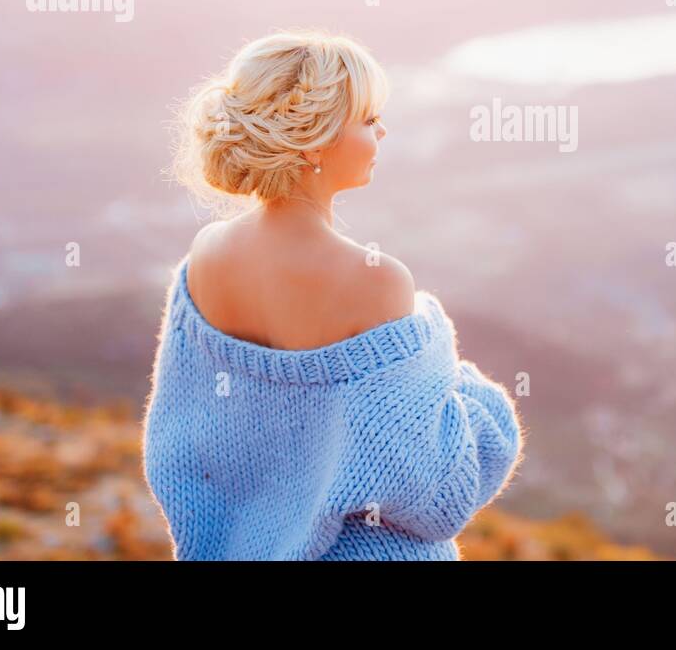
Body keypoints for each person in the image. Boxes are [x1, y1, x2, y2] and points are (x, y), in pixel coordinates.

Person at [142, 29, 525, 559]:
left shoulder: (205, 258)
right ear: (314, 139)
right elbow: (438, 497)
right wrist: (464, 383)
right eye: (368, 121)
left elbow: (184, 449)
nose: (383, 132)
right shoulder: (376, 281)